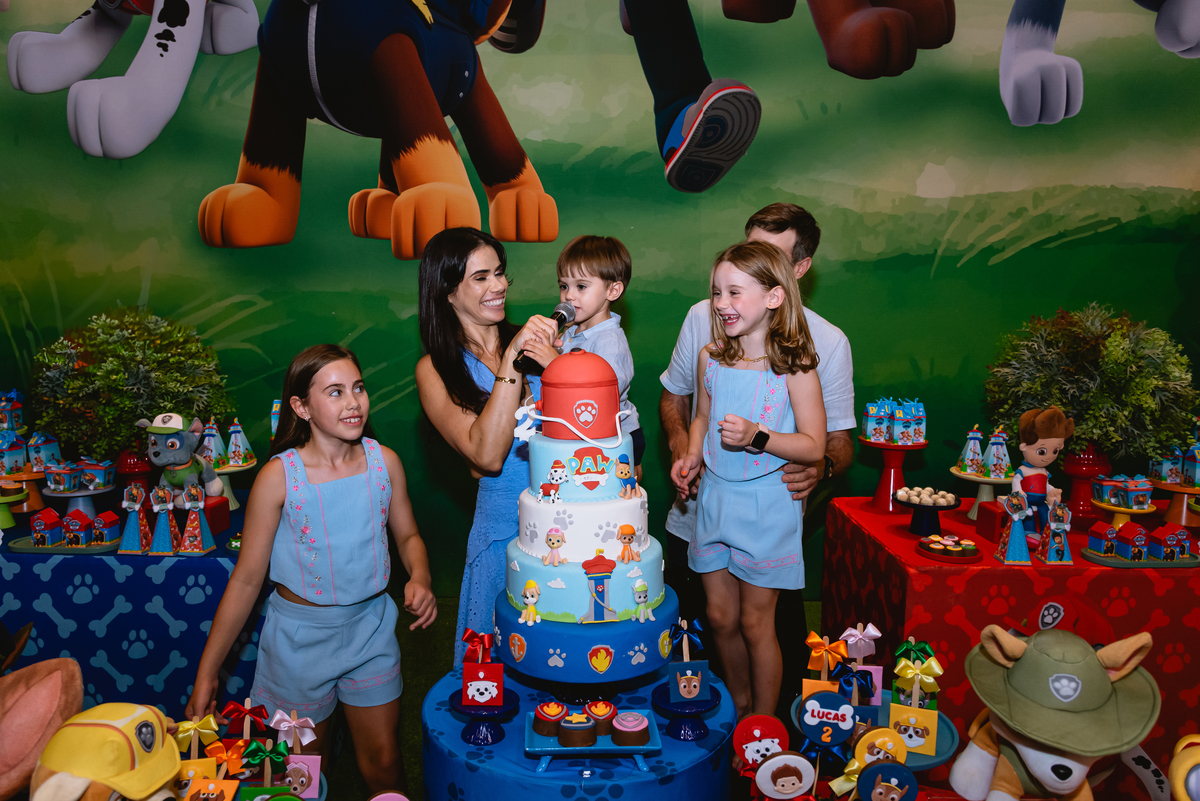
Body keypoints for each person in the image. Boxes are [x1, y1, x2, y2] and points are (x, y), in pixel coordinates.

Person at [186, 344, 437, 796]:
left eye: (358, 388)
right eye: (335, 392)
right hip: (298, 646)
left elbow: (408, 537)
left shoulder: (386, 463)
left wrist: (419, 575)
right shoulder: (278, 477)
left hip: (371, 631)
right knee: (299, 778)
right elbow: (246, 580)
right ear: (301, 407)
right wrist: (209, 671)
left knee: (383, 762)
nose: (353, 402)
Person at [659, 204, 855, 610]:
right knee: (701, 633)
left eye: (770, 257)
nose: (749, 265)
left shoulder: (826, 342)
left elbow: (835, 441)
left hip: (767, 521)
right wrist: (685, 448)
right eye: (748, 249)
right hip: (699, 514)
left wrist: (819, 467)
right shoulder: (705, 316)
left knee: (759, 626)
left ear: (795, 271)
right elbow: (678, 398)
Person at [671, 240, 827, 718]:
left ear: (774, 297)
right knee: (719, 617)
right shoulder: (710, 357)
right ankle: (738, 709)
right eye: (717, 292)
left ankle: (764, 721)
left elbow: (813, 446)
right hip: (715, 499)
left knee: (758, 624)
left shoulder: (796, 367)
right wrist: (693, 453)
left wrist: (759, 436)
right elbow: (700, 416)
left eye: (735, 292)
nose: (721, 304)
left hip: (767, 506)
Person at [414, 227, 561, 665]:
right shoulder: (435, 370)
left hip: (563, 527)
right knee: (494, 679)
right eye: (480, 277)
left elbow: (580, 424)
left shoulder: (542, 343)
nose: (498, 286)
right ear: (447, 292)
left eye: (499, 273)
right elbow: (486, 456)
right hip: (501, 536)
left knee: (558, 661)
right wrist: (514, 360)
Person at [553, 235, 644, 473]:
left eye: (581, 286)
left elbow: (599, 396)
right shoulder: (570, 329)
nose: (569, 296)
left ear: (613, 290)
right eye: (564, 286)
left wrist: (551, 362)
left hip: (617, 436)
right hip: (584, 430)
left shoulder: (609, 341)